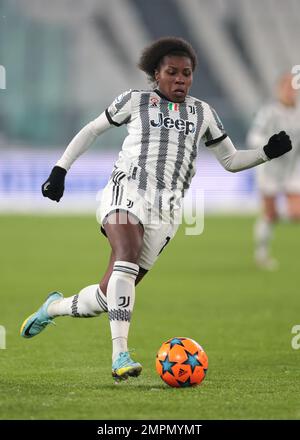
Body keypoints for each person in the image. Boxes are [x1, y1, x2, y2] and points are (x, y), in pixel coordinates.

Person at [20, 37, 292, 381]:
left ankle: (54, 306)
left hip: (167, 209)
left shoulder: (203, 112)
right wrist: (60, 170)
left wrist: (266, 152)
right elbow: (92, 130)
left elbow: (231, 160)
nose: (180, 79)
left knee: (109, 296)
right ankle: (120, 356)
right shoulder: (135, 102)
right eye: (172, 72)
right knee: (126, 254)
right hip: (126, 189)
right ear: (156, 74)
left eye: (187, 73)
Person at [247, 73, 300, 270]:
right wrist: (271, 146)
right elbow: (253, 136)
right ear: (279, 90)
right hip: (268, 169)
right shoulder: (269, 112)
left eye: (293, 87)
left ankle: (273, 215)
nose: (290, 91)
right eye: (286, 87)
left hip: (292, 169)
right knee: (270, 214)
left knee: (296, 213)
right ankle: (261, 254)